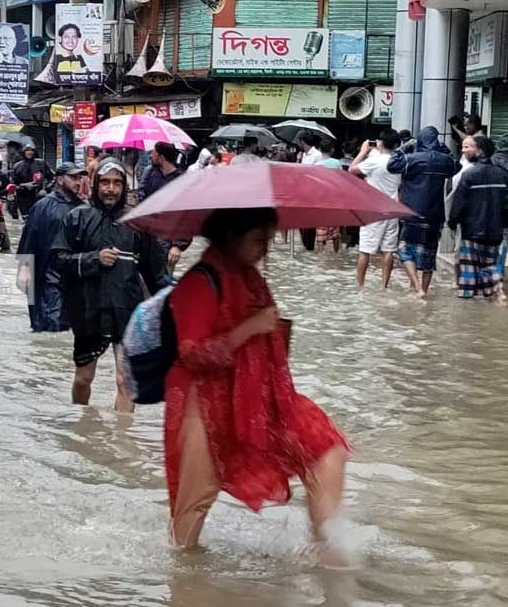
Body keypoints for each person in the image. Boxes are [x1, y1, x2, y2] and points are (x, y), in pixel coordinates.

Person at [165, 207, 351, 566]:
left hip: (261, 399)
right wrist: (248, 329)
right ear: (232, 235)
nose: (265, 248)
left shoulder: (250, 279)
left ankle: (328, 550)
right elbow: (190, 353)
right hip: (204, 403)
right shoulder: (200, 281)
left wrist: (267, 330)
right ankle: (182, 580)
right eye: (259, 240)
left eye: (268, 240)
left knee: (326, 449)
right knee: (194, 504)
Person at [51, 157, 169, 414]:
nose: (111, 189)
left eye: (117, 183)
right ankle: (81, 422)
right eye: (105, 182)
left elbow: (155, 271)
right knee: (84, 378)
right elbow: (58, 260)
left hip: (127, 311)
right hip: (88, 310)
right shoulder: (76, 218)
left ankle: (121, 443)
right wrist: (94, 258)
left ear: (124, 187)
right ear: (94, 184)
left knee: (125, 380)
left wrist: (173, 300)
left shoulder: (138, 223)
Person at [387, 126, 460, 298]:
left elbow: (392, 165)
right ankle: (424, 290)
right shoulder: (444, 161)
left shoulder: (412, 159)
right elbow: (457, 165)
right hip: (435, 215)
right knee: (429, 253)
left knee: (405, 250)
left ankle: (416, 286)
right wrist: (443, 148)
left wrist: (403, 148)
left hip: (411, 212)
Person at [16, 163, 86, 332]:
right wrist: (24, 270)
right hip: (45, 276)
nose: (78, 182)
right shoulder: (43, 206)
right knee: (49, 326)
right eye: (73, 178)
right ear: (60, 180)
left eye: (80, 178)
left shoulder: (83, 208)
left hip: (73, 277)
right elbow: (28, 240)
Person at [449, 135, 508, 301]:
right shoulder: (502, 174)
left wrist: (452, 222)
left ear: (480, 151)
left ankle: (468, 306)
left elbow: (459, 204)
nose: (465, 151)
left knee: (469, 275)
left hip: (471, 232)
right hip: (495, 232)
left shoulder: (469, 175)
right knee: (490, 266)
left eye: (470, 147)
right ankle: (496, 294)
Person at [350, 131, 403, 290]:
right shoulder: (399, 162)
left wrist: (362, 151)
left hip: (373, 210)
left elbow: (352, 170)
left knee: (365, 250)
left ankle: (360, 287)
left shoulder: (375, 161)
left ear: (380, 143)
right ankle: (384, 286)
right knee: (388, 250)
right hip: (392, 209)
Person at [138, 142, 190, 275]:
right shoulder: (152, 174)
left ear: (161, 157)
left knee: (163, 282)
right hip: (147, 238)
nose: (150, 155)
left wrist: (177, 245)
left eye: (153, 153)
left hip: (166, 242)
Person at [10, 143, 53, 218]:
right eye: (27, 150)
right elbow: (13, 184)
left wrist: (46, 189)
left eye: (32, 150)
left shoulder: (41, 163)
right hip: (23, 199)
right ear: (23, 152)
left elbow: (52, 178)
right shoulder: (17, 166)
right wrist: (24, 185)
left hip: (39, 197)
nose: (30, 152)